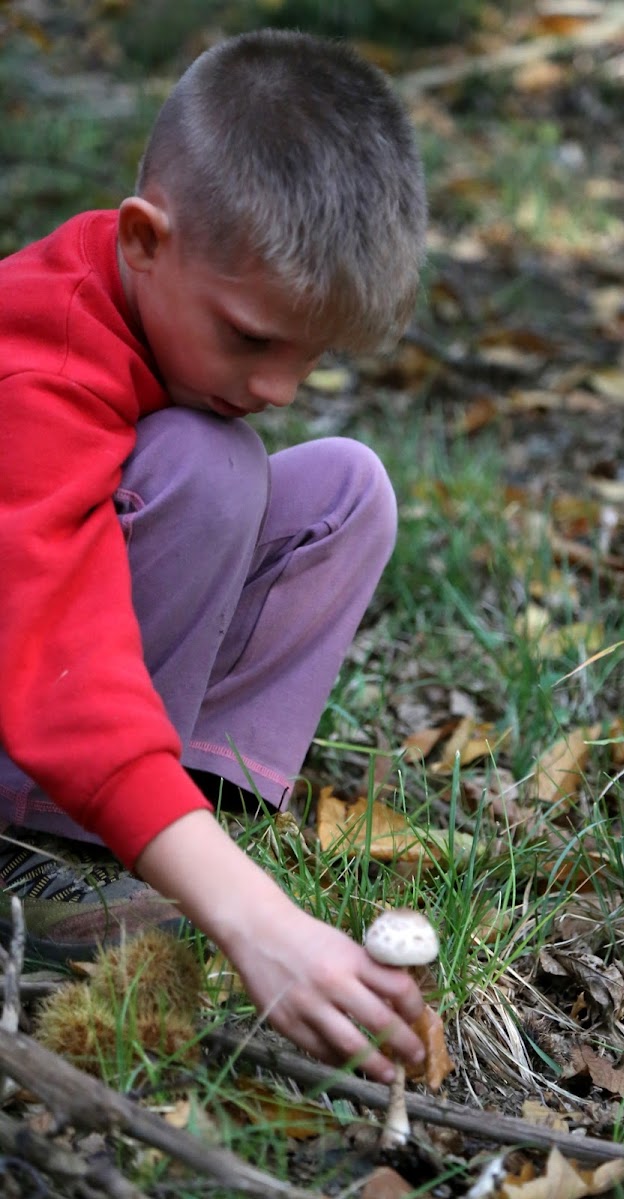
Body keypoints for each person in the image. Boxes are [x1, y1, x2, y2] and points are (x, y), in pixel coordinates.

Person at [0, 28, 428, 1084]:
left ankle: (185, 805)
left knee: (344, 489)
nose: (279, 386)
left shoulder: (158, 305)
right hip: (30, 691)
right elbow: (60, 652)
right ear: (143, 240)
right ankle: (47, 854)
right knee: (211, 463)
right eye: (250, 339)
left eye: (308, 354)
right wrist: (252, 919)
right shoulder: (40, 358)